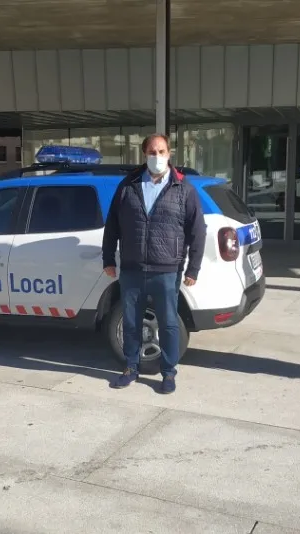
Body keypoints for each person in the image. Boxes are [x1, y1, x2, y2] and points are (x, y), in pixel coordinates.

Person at [102, 133, 206, 394]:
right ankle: (131, 368)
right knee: (131, 322)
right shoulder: (129, 185)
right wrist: (107, 259)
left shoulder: (183, 189)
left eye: (161, 152)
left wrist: (193, 268)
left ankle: (169, 373)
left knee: (169, 323)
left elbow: (197, 231)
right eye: (151, 152)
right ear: (144, 155)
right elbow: (112, 225)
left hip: (166, 271)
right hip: (132, 269)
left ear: (169, 154)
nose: (156, 157)